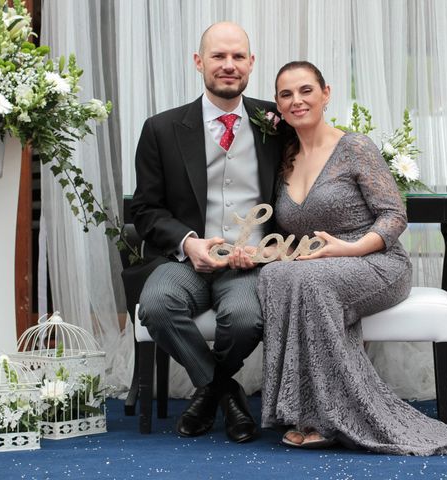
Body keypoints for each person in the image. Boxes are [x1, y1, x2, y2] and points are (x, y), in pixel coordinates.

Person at [256, 61, 447, 454]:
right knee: (275, 277)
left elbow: (394, 215)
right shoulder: (282, 156)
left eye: (305, 90)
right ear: (278, 104)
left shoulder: (354, 147)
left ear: (326, 93)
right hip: (319, 265)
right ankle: (302, 409)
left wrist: (350, 248)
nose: (296, 100)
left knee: (308, 280)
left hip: (376, 261)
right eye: (286, 94)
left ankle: (330, 415)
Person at [130, 22, 282, 443]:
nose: (228, 65)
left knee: (248, 318)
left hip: (250, 262)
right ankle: (224, 390)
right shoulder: (161, 129)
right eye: (218, 56)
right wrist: (187, 242)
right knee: (156, 305)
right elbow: (144, 209)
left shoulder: (277, 121)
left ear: (251, 64)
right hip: (187, 260)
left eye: (238, 57)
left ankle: (209, 391)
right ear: (199, 63)